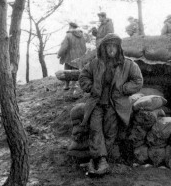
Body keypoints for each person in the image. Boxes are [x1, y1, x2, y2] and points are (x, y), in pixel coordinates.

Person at [79, 33, 143, 175]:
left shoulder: (128, 64)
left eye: (114, 46)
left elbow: (138, 81)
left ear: (118, 48)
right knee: (95, 129)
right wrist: (91, 87)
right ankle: (99, 160)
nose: (111, 49)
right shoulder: (95, 63)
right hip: (97, 103)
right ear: (104, 48)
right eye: (108, 46)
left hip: (115, 104)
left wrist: (123, 89)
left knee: (110, 131)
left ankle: (99, 159)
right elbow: (83, 76)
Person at [58, 22, 87, 90]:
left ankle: (66, 85)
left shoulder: (68, 35)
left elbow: (64, 47)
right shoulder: (81, 35)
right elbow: (84, 47)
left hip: (69, 56)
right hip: (78, 56)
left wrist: (59, 54)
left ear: (70, 27)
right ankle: (74, 85)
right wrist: (82, 55)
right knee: (76, 69)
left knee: (67, 70)